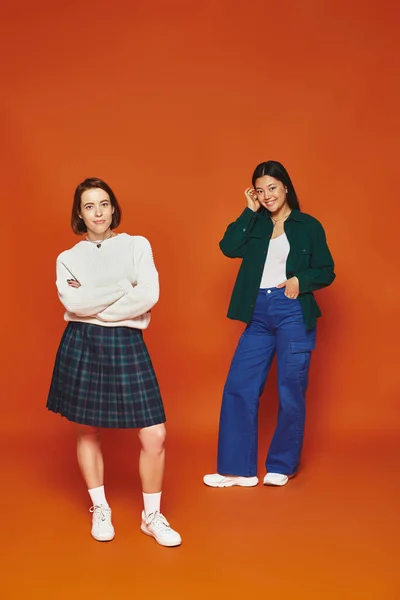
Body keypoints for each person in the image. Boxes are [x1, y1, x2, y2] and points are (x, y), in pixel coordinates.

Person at [47, 177, 181, 546]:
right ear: (79, 213)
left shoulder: (137, 246)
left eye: (104, 204)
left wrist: (97, 304)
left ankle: (151, 517)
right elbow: (73, 305)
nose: (98, 212)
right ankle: (100, 507)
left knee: (155, 433)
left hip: (126, 342)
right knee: (88, 429)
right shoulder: (68, 259)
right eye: (89, 206)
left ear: (113, 206)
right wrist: (123, 289)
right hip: (83, 343)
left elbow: (148, 294)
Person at [204, 160, 335, 488]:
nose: (267, 196)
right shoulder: (257, 225)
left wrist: (300, 280)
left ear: (286, 187)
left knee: (291, 389)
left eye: (272, 188)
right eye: (260, 191)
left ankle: (282, 464)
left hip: (291, 309)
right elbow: (228, 247)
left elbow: (326, 270)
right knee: (239, 387)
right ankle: (238, 470)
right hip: (258, 313)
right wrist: (248, 211)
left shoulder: (308, 225)